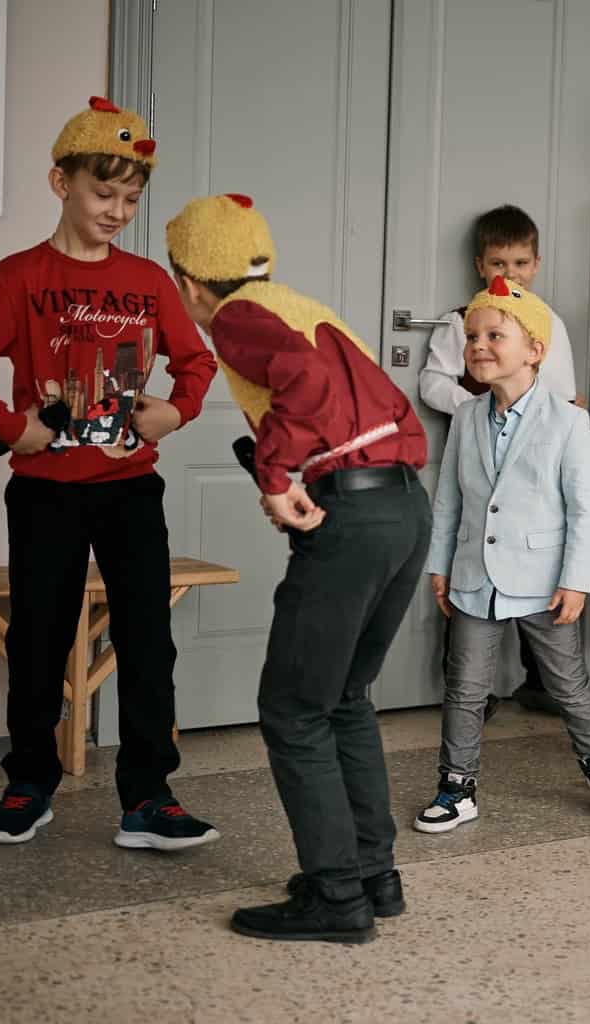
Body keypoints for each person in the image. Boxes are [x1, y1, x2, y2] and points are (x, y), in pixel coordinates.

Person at [0, 96, 220, 851]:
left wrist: (177, 411)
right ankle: (29, 783)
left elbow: (197, 361)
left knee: (147, 641)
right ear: (61, 184)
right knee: (38, 640)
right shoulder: (19, 278)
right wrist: (9, 425)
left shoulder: (148, 282)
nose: (117, 211)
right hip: (45, 492)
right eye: (102, 193)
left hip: (131, 489)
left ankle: (148, 798)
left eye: (130, 199)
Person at [165, 193, 430, 944]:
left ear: (189, 283)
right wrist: (292, 472)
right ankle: (373, 877)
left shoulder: (237, 316)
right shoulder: (301, 304)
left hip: (353, 521)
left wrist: (276, 476)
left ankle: (336, 897)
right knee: (344, 697)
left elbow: (306, 385)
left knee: (293, 709)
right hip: (404, 505)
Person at [417, 276, 590, 833]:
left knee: (568, 684)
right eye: (472, 337)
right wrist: (440, 564)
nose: (478, 346)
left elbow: (583, 508)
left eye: (495, 335)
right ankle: (456, 788)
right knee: (465, 688)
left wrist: (576, 580)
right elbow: (449, 499)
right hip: (473, 576)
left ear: (534, 350)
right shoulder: (467, 416)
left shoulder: (568, 421)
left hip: (543, 580)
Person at [418, 204, 581, 714]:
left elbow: (565, 394)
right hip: (480, 465)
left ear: (536, 264)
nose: (510, 273)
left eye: (520, 263)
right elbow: (432, 382)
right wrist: (478, 408)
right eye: (498, 263)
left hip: (535, 472)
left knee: (535, 567)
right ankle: (472, 689)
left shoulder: (549, 324)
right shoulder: (462, 322)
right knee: (472, 564)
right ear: (479, 266)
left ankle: (542, 679)